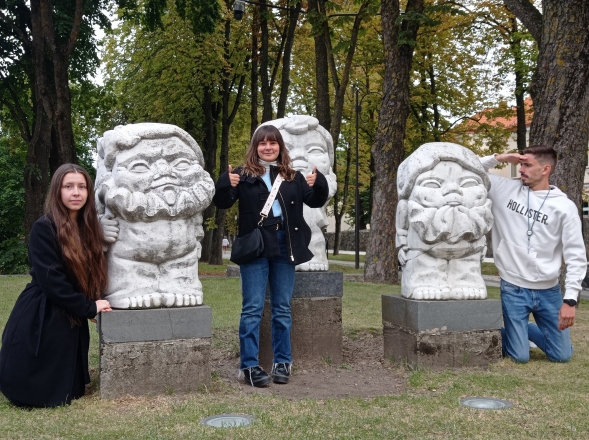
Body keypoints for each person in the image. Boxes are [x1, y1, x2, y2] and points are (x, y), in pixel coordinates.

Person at [213, 125, 329, 387]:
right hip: (256, 244)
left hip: (285, 244)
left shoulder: (292, 176)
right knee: (252, 308)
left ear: (279, 146)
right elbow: (222, 202)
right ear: (255, 147)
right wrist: (225, 183)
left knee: (282, 308)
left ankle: (282, 362)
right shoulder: (242, 174)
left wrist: (319, 183)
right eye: (262, 143)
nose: (268, 147)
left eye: (273, 143)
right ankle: (249, 366)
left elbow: (314, 200)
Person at [0, 164, 112, 407]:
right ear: (57, 191)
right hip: (43, 311)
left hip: (70, 313)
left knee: (73, 390)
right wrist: (87, 307)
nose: (76, 192)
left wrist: (92, 301)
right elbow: (53, 281)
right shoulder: (44, 227)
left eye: (82, 187)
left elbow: (89, 271)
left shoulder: (88, 228)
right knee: (38, 390)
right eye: (68, 186)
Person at [480, 146, 587, 363]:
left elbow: (576, 255)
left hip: (549, 291)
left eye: (527, 165)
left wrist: (570, 300)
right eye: (521, 164)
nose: (521, 169)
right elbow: (467, 168)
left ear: (545, 169)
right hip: (513, 287)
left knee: (562, 355)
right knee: (519, 357)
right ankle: (505, 333)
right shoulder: (504, 188)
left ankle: (523, 329)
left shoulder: (564, 207)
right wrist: (499, 158)